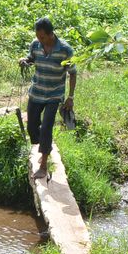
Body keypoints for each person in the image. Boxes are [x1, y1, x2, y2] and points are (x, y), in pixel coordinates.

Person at [19, 17, 76, 180]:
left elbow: (73, 73)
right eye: (38, 36)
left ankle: (43, 165)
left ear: (51, 34)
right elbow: (32, 58)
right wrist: (25, 61)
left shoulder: (65, 50)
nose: (40, 40)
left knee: (46, 128)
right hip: (36, 92)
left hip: (54, 94)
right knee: (32, 128)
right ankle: (45, 147)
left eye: (42, 37)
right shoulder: (35, 45)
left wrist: (70, 97)